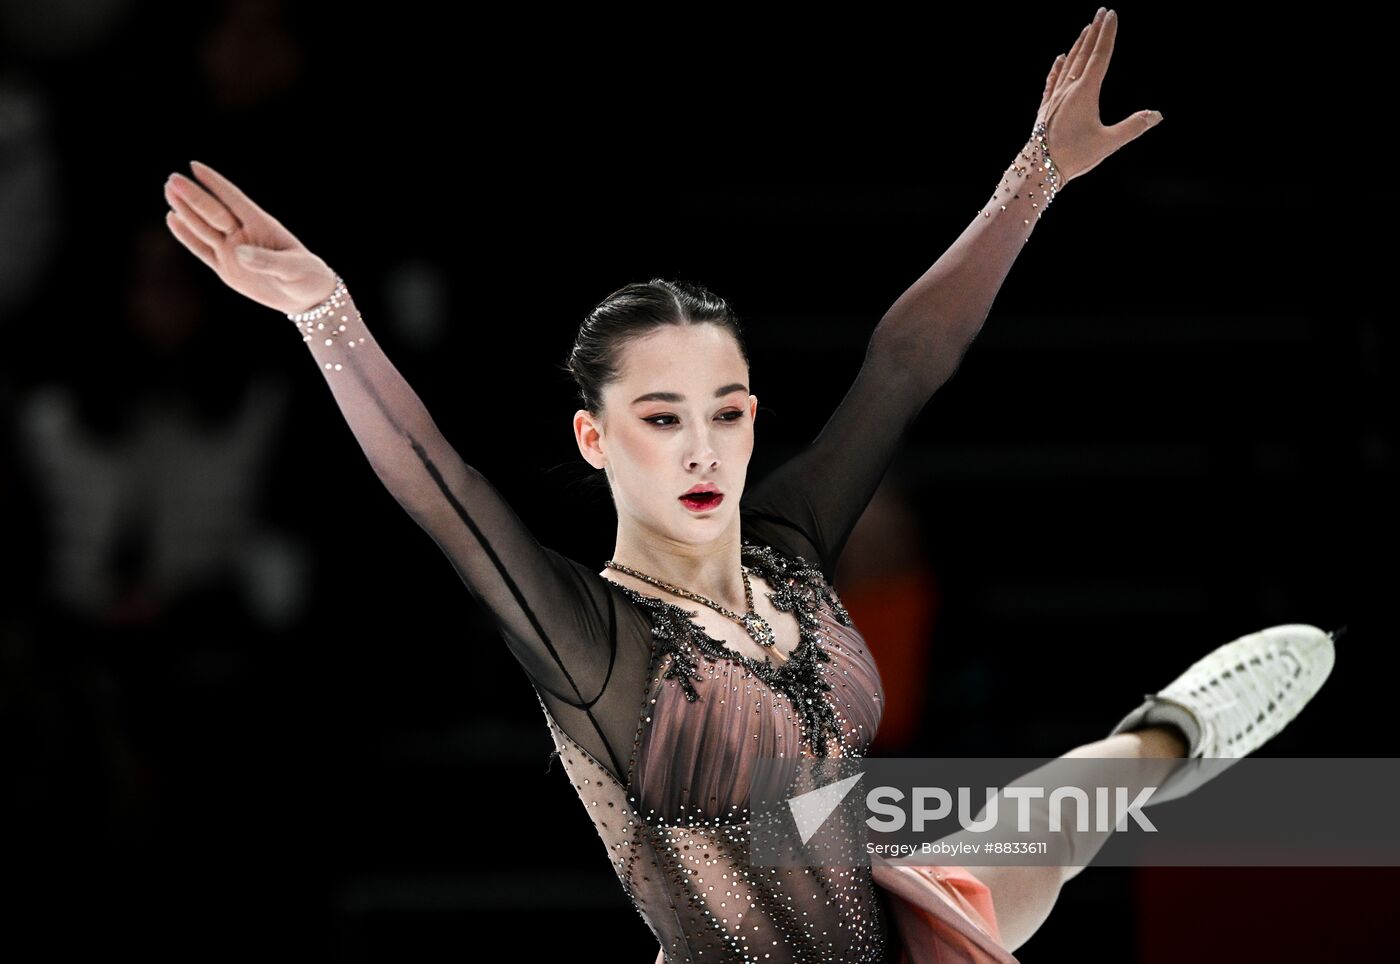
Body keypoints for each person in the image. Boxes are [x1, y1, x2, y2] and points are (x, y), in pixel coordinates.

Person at [159, 8, 1336, 961]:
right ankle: (1161, 736)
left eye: (724, 412)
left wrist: (1035, 174)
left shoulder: (789, 544)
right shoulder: (595, 644)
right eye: (660, 418)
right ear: (593, 439)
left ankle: (1171, 726)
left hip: (896, 928)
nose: (701, 447)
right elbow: (439, 489)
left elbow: (905, 361)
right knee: (1024, 845)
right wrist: (328, 317)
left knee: (1055, 826)